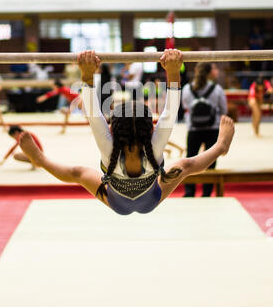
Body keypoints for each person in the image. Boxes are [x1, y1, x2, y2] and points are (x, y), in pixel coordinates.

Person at [19, 50, 234, 216]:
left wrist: (87, 75)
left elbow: (94, 114)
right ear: (150, 129)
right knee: (184, 166)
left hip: (117, 201)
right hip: (150, 198)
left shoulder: (109, 149)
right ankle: (220, 147)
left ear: (112, 129)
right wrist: (174, 72)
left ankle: (40, 160)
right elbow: (169, 113)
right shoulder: (154, 148)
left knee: (78, 173)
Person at [182, 62, 227, 198]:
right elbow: (224, 109)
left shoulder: (187, 88)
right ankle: (207, 192)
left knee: (189, 160)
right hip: (212, 128)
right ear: (209, 73)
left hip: (193, 128)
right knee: (210, 161)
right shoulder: (216, 89)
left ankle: (189, 191)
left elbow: (185, 106)